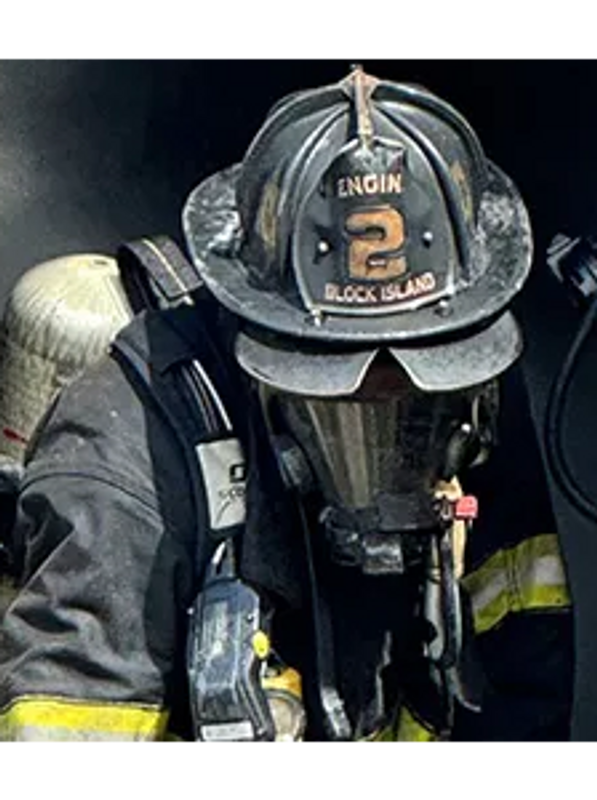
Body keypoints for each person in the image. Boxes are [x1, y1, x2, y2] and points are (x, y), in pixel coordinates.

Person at [0, 68, 574, 746]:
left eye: (417, 385)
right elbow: (73, 722)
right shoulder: (127, 454)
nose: (394, 433)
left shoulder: (467, 398)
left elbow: (522, 663)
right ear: (264, 345)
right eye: (340, 399)